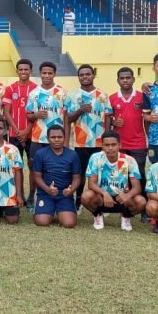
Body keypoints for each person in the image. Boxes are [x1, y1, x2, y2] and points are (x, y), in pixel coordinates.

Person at [65, 64, 112, 209]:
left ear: (93, 75)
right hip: (81, 143)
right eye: (82, 75)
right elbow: (68, 118)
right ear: (78, 77)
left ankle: (101, 201)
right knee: (79, 173)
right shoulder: (72, 96)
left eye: (87, 74)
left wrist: (107, 138)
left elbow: (108, 117)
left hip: (99, 143)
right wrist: (80, 110)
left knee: (99, 173)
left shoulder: (103, 95)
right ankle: (78, 200)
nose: (85, 77)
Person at [81, 131, 146, 231]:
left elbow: (137, 187)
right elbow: (91, 184)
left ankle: (126, 216)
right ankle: (98, 215)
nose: (110, 148)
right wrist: (104, 193)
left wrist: (127, 196)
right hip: (102, 198)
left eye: (113, 145)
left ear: (120, 145)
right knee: (86, 196)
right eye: (107, 145)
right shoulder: (95, 158)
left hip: (122, 198)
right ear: (102, 146)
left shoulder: (129, 160)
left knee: (141, 201)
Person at [25, 61, 68, 207]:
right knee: (34, 167)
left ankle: (60, 195)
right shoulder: (34, 93)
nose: (47, 76)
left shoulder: (62, 92)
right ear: (40, 74)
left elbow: (67, 117)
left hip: (57, 139)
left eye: (50, 73)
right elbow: (29, 116)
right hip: (38, 138)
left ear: (54, 74)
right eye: (44, 73)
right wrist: (36, 114)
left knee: (57, 167)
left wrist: (66, 139)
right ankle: (32, 195)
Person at [109, 67, 148, 199]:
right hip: (119, 144)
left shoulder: (142, 97)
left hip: (138, 143)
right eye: (122, 78)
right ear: (117, 80)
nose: (125, 80)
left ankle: (142, 205)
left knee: (139, 174)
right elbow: (108, 119)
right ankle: (120, 202)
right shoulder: (112, 98)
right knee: (120, 174)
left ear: (133, 79)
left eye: (128, 77)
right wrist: (113, 123)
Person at [2, 58, 37, 204]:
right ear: (17, 71)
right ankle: (19, 195)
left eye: (26, 69)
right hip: (14, 134)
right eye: (21, 69)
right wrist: (17, 131)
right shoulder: (10, 89)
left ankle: (31, 196)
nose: (23, 72)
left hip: (32, 134)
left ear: (31, 71)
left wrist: (26, 130)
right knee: (17, 166)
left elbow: (36, 113)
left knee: (32, 165)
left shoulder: (36, 89)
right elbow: (7, 112)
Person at [32, 125, 80, 228]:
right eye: (53, 137)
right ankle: (49, 210)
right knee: (41, 222)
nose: (57, 140)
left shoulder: (72, 155)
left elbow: (77, 178)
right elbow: (36, 176)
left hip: (65, 194)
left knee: (69, 224)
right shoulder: (40, 154)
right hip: (45, 193)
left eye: (60, 137)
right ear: (48, 138)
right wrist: (47, 189)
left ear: (64, 137)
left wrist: (71, 190)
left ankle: (59, 210)